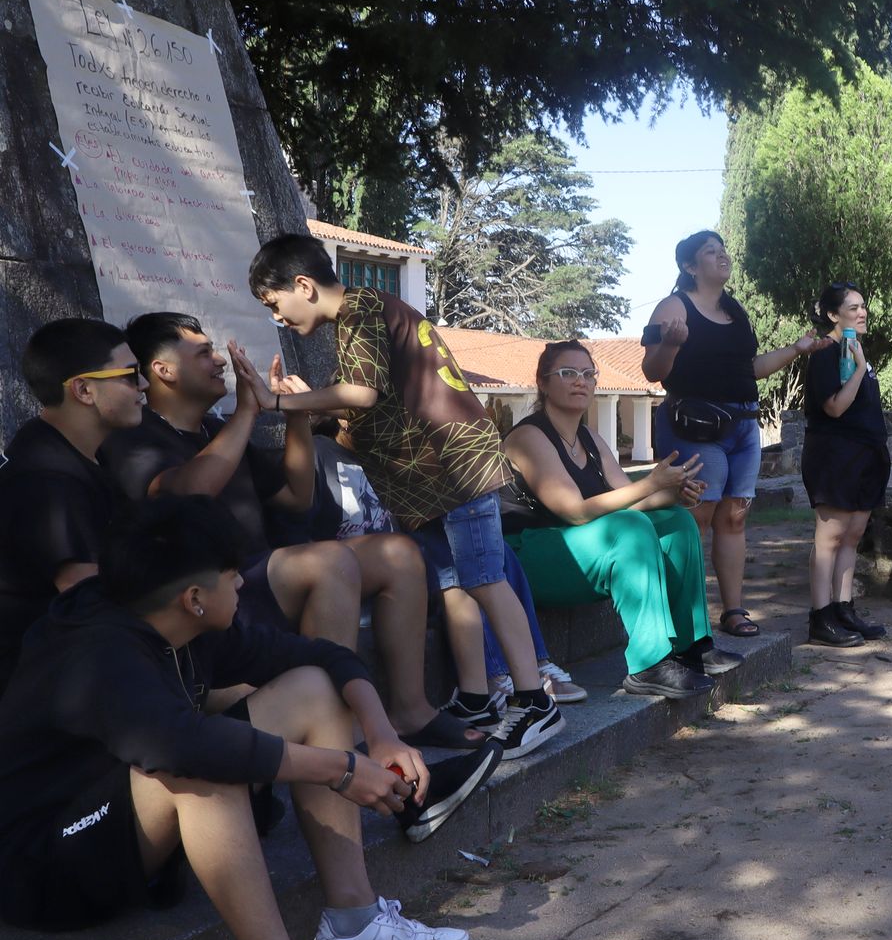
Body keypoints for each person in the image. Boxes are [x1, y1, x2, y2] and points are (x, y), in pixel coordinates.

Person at [0, 496, 473, 940]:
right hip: (50, 861)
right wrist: (340, 769)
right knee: (202, 763)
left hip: (125, 818)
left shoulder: (181, 620)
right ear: (193, 597)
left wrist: (378, 734)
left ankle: (354, 925)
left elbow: (320, 655)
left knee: (310, 687)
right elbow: (185, 747)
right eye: (233, 578)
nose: (243, 587)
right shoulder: (99, 650)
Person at [247, 234, 561, 762]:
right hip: (430, 484)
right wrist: (310, 408)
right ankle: (476, 698)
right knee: (452, 582)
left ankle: (534, 702)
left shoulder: (360, 310)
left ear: (302, 285)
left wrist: (278, 401)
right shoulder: (365, 320)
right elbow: (371, 409)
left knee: (484, 577)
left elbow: (362, 394)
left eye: (276, 305)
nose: (279, 319)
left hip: (455, 466)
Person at [100, 312, 445, 742]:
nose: (221, 362)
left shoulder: (216, 428)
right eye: (204, 352)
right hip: (211, 592)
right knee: (330, 561)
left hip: (260, 578)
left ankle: (411, 711)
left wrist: (294, 415)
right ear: (163, 370)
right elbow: (187, 493)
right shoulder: (137, 434)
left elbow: (296, 497)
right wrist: (249, 411)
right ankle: (338, 730)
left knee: (399, 553)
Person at [306, 416, 586, 745]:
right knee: (471, 570)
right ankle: (500, 681)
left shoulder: (388, 453)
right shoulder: (325, 451)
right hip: (380, 560)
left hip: (426, 522)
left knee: (489, 561)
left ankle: (528, 671)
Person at [502, 340, 740, 699]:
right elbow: (574, 510)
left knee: (676, 521)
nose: (580, 381)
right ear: (543, 382)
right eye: (567, 373)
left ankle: (692, 647)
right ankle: (649, 664)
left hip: (577, 544)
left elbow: (629, 501)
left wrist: (672, 494)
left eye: (587, 374)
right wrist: (649, 483)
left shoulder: (591, 439)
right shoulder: (528, 436)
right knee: (629, 529)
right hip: (528, 555)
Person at [640, 230, 831, 640]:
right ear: (690, 266)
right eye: (711, 251)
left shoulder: (735, 311)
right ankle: (685, 616)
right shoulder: (674, 306)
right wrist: (671, 345)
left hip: (744, 426)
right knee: (697, 517)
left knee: (735, 516)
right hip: (695, 427)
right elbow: (653, 372)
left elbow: (751, 370)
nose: (722, 255)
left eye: (722, 249)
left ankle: (733, 611)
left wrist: (796, 350)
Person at [0, 318, 145, 690]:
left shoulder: (86, 452)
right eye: (130, 374)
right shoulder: (47, 476)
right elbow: (85, 593)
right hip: (50, 685)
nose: (143, 386)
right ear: (83, 390)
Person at [801, 283, 891, 647]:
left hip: (866, 455)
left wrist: (860, 363)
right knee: (830, 539)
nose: (862, 312)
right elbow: (835, 407)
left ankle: (844, 609)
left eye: (864, 305)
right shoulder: (826, 353)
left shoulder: (854, 350)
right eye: (853, 307)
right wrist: (860, 368)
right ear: (832, 315)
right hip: (835, 456)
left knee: (852, 535)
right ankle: (820, 617)